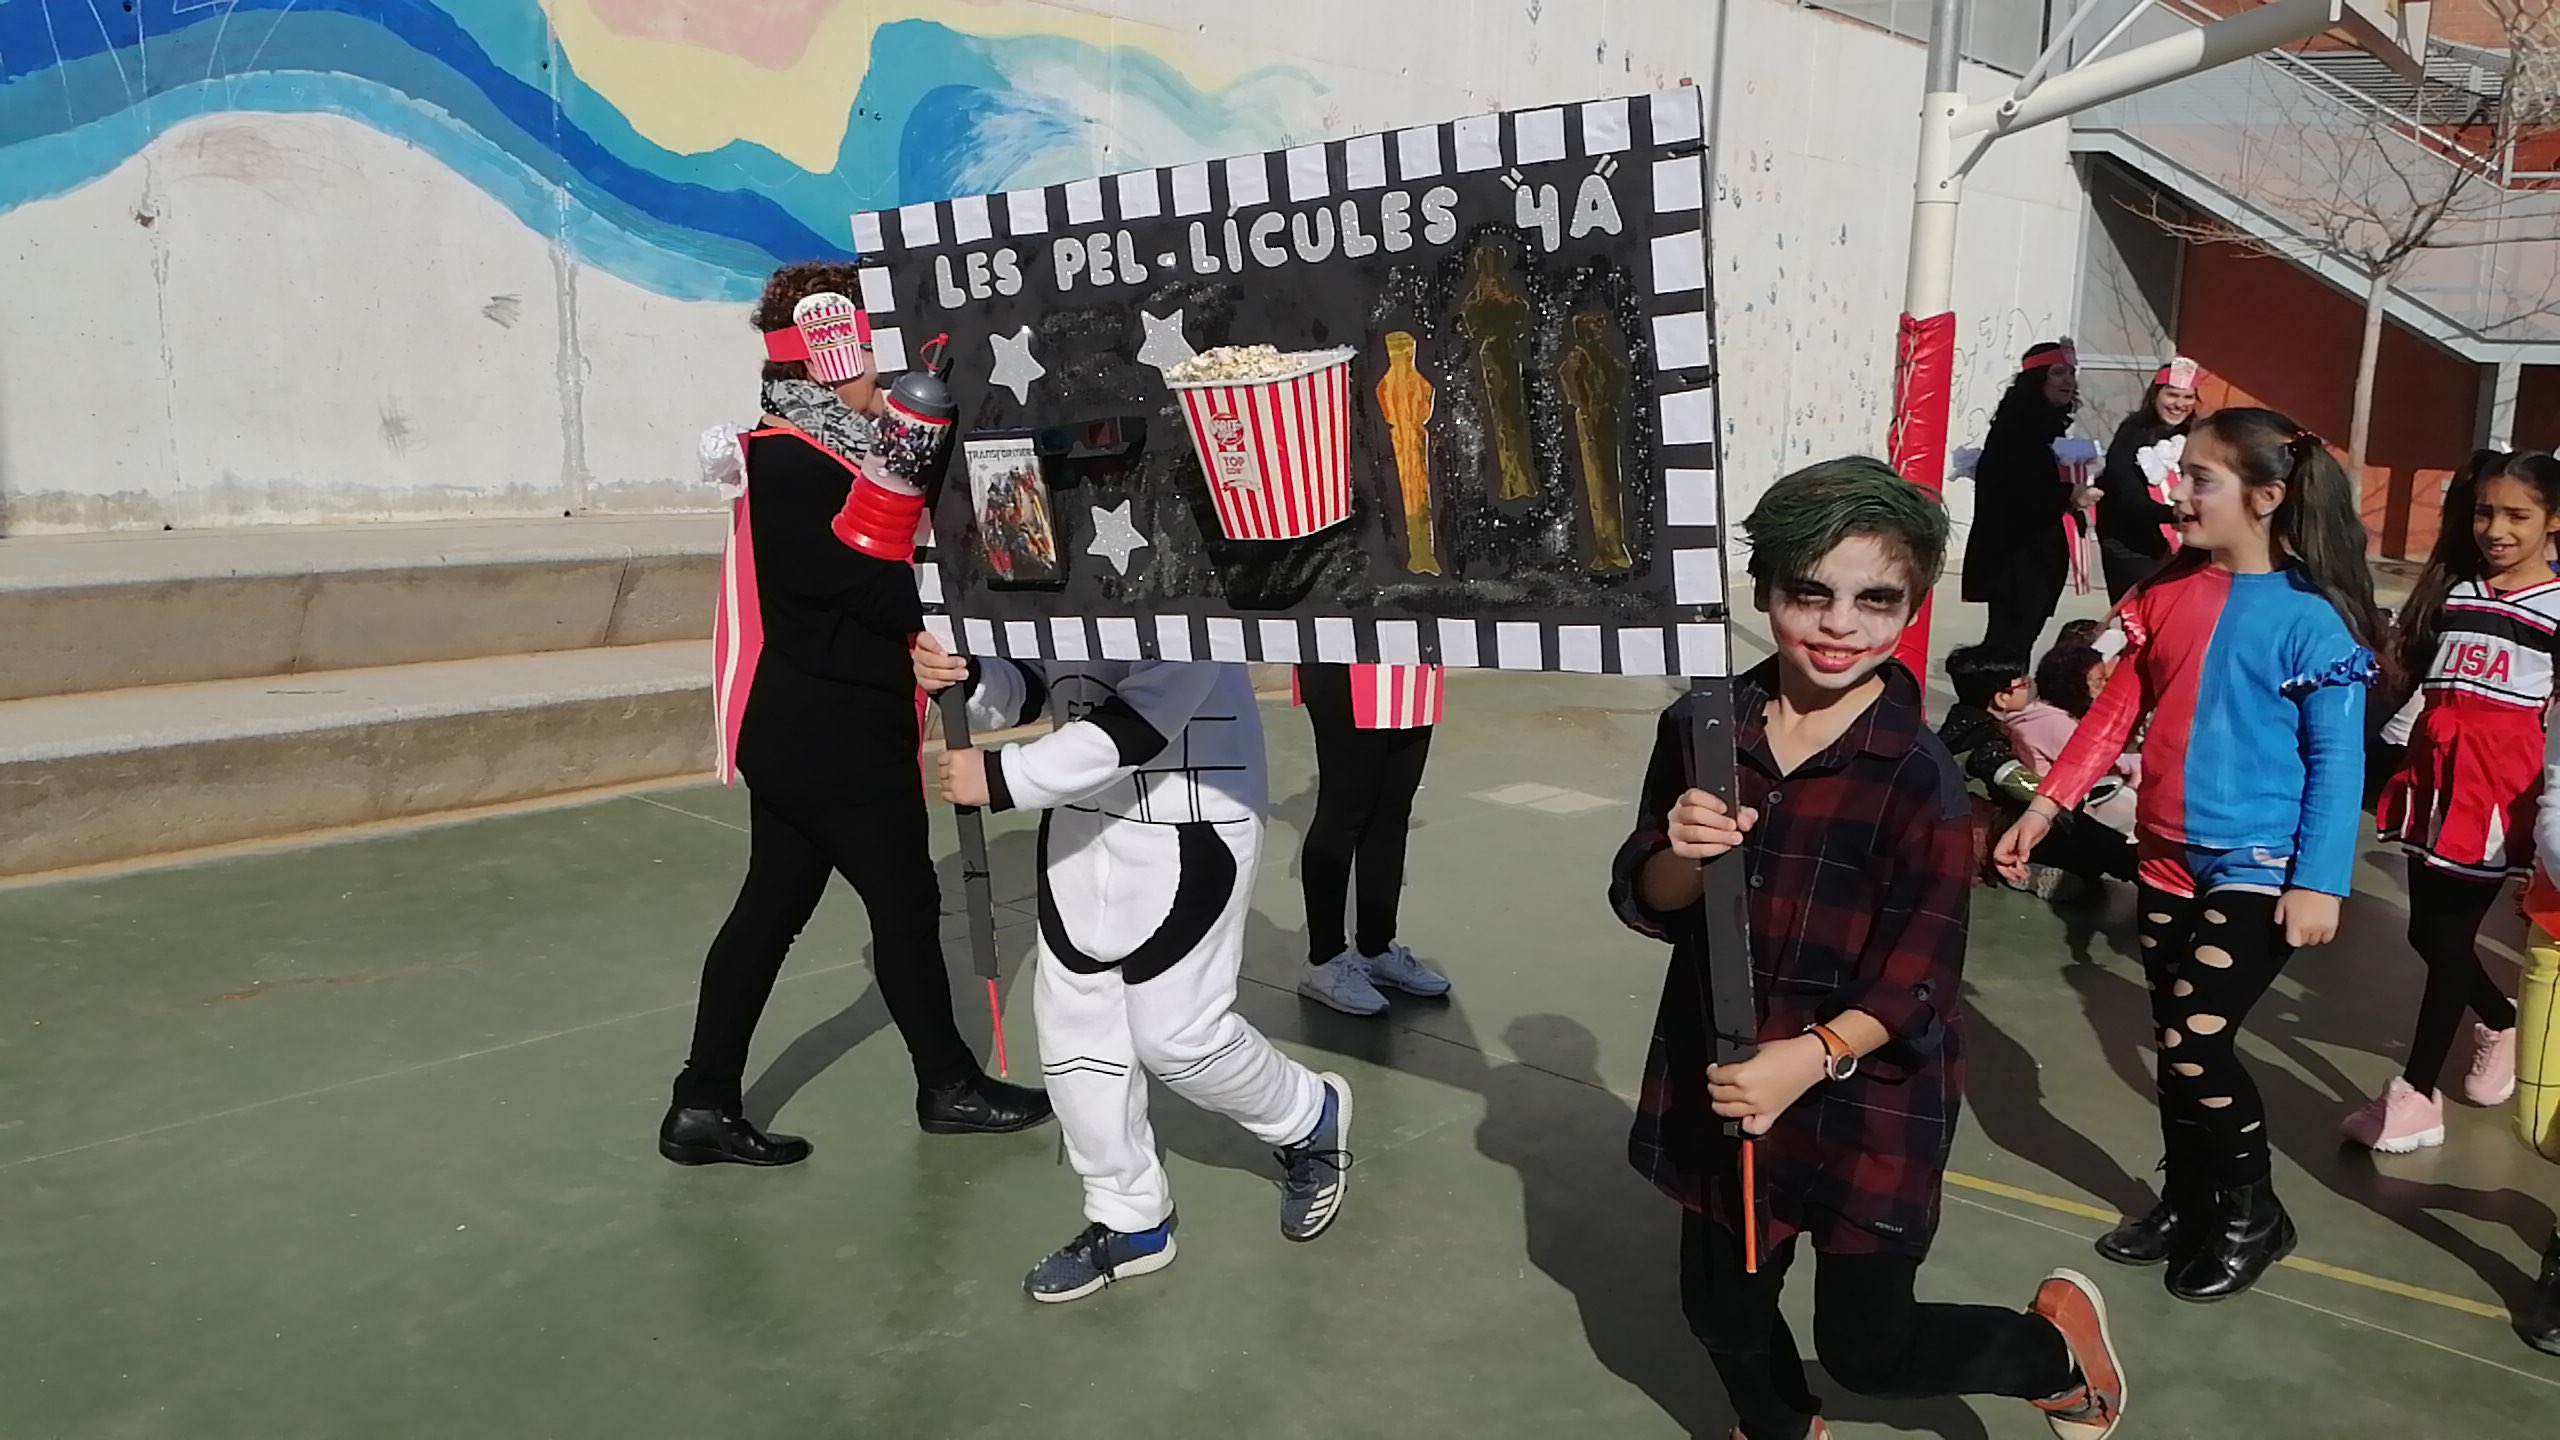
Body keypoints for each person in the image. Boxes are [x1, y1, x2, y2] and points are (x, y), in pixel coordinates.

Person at [1614, 457, 2127, 1440]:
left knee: (1869, 1349)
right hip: (1727, 1067)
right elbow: (1648, 897)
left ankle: (2048, 1350)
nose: (1839, 624)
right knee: (1720, 1309)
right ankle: (1781, 1428)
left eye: (1875, 599)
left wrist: (1806, 1058)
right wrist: (1678, 853)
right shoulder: (1703, 729)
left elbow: (1919, 977)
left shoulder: (1918, 775)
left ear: (1913, 605)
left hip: (1866, 1089)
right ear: (1764, 590)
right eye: (1810, 592)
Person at [663, 263, 1050, 1168]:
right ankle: (947, 1085)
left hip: (813, 726)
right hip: (829, 734)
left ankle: (702, 1103)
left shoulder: (832, 453)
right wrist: (975, 586)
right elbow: (858, 586)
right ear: (826, 358)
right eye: (871, 348)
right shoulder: (790, 460)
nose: (888, 366)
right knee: (905, 904)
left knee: (770, 910)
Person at [1996, 408, 2384, 1303]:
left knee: (2196, 1042)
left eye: (2202, 479)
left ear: (2267, 497)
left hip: (2259, 864)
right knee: (2174, 1043)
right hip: (2165, 853)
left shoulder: (2314, 622)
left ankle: (2254, 1215)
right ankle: (2189, 1200)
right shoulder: (2167, 593)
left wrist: (2320, 882)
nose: (2180, 493)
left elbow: (2339, 762)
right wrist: (2047, 805)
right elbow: (2113, 715)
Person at [911, 637, 1354, 1302]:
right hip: (1083, 827)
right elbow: (1042, 684)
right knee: (1073, 1033)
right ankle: (1129, 1217)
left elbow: (1142, 720)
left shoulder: (1193, 600)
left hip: (1192, 819)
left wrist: (1002, 778)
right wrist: (971, 678)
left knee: (1178, 1037)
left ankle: (1305, 1114)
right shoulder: (1066, 595)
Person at [2352, 451, 2560, 1152]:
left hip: (2499, 791)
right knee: (2425, 934)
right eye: (2485, 513)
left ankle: (2417, 1095)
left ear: (2554, 520)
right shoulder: (2457, 592)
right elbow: (2416, 687)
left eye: (2517, 515)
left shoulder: (2557, 608)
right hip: (2434, 779)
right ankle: (2501, 1020)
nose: (2496, 529)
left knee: (2446, 941)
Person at [1296, 662, 1455, 1015]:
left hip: (1412, 664)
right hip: (1347, 662)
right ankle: (1323, 962)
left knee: (1392, 812)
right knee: (1343, 813)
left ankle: (1376, 947)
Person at [1942, 646, 2132, 898]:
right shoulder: (1985, 741)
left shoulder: (1962, 721)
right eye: (2022, 683)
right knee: (2087, 839)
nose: (2029, 685)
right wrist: (2059, 799)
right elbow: (2020, 783)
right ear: (2001, 698)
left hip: (1978, 819)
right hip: (1985, 827)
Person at [1964, 342, 2096, 660]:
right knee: (2008, 644)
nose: (2068, 381)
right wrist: (2069, 494)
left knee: (2019, 640)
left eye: (2072, 373)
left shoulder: (2048, 423)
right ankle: (1993, 690)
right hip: (2017, 556)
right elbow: (2012, 486)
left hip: (2036, 551)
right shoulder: (2020, 425)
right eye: (2059, 373)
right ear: (2037, 378)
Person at [2095, 358, 2200, 601]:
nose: (2179, 404)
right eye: (2172, 395)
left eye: (2188, 397)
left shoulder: (2195, 435)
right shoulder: (2132, 433)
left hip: (2179, 542)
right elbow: (2126, 495)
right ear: (2155, 396)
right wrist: (2175, 514)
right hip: (2131, 544)